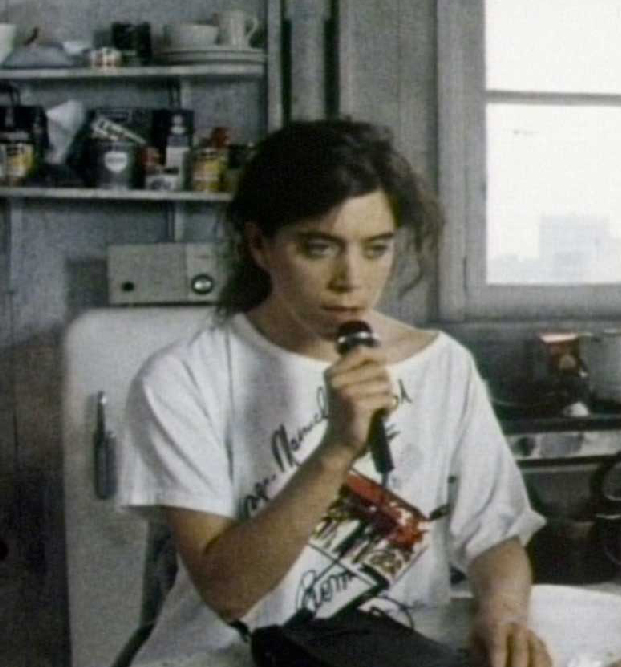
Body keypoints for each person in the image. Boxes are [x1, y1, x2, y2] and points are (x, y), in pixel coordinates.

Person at [118, 118, 550, 667]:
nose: (351, 279)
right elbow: (228, 593)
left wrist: (504, 613)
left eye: (376, 249)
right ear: (259, 245)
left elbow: (493, 535)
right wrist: (337, 450)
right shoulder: (184, 378)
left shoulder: (442, 366)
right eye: (318, 248)